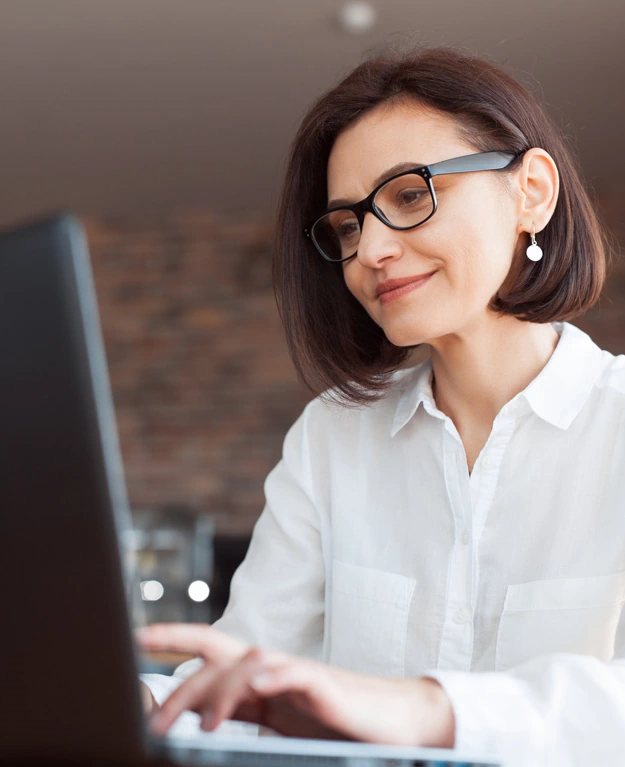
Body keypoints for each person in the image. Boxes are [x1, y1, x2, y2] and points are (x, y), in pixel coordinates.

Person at [137, 45, 625, 766]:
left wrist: (426, 707)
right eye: (347, 224)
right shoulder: (332, 438)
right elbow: (239, 674)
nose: (370, 249)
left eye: (407, 195)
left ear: (531, 193)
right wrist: (128, 698)